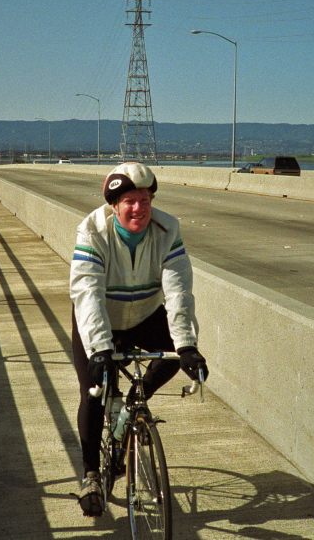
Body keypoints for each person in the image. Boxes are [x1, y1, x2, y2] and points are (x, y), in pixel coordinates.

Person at [70, 162, 208, 517]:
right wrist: (99, 349)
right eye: (129, 201)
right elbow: (87, 294)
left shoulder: (167, 229)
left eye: (145, 199)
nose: (139, 208)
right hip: (101, 317)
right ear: (114, 205)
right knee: (94, 390)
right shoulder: (92, 231)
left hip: (144, 314)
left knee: (175, 355)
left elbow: (178, 291)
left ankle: (136, 399)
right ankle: (90, 476)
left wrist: (187, 344)